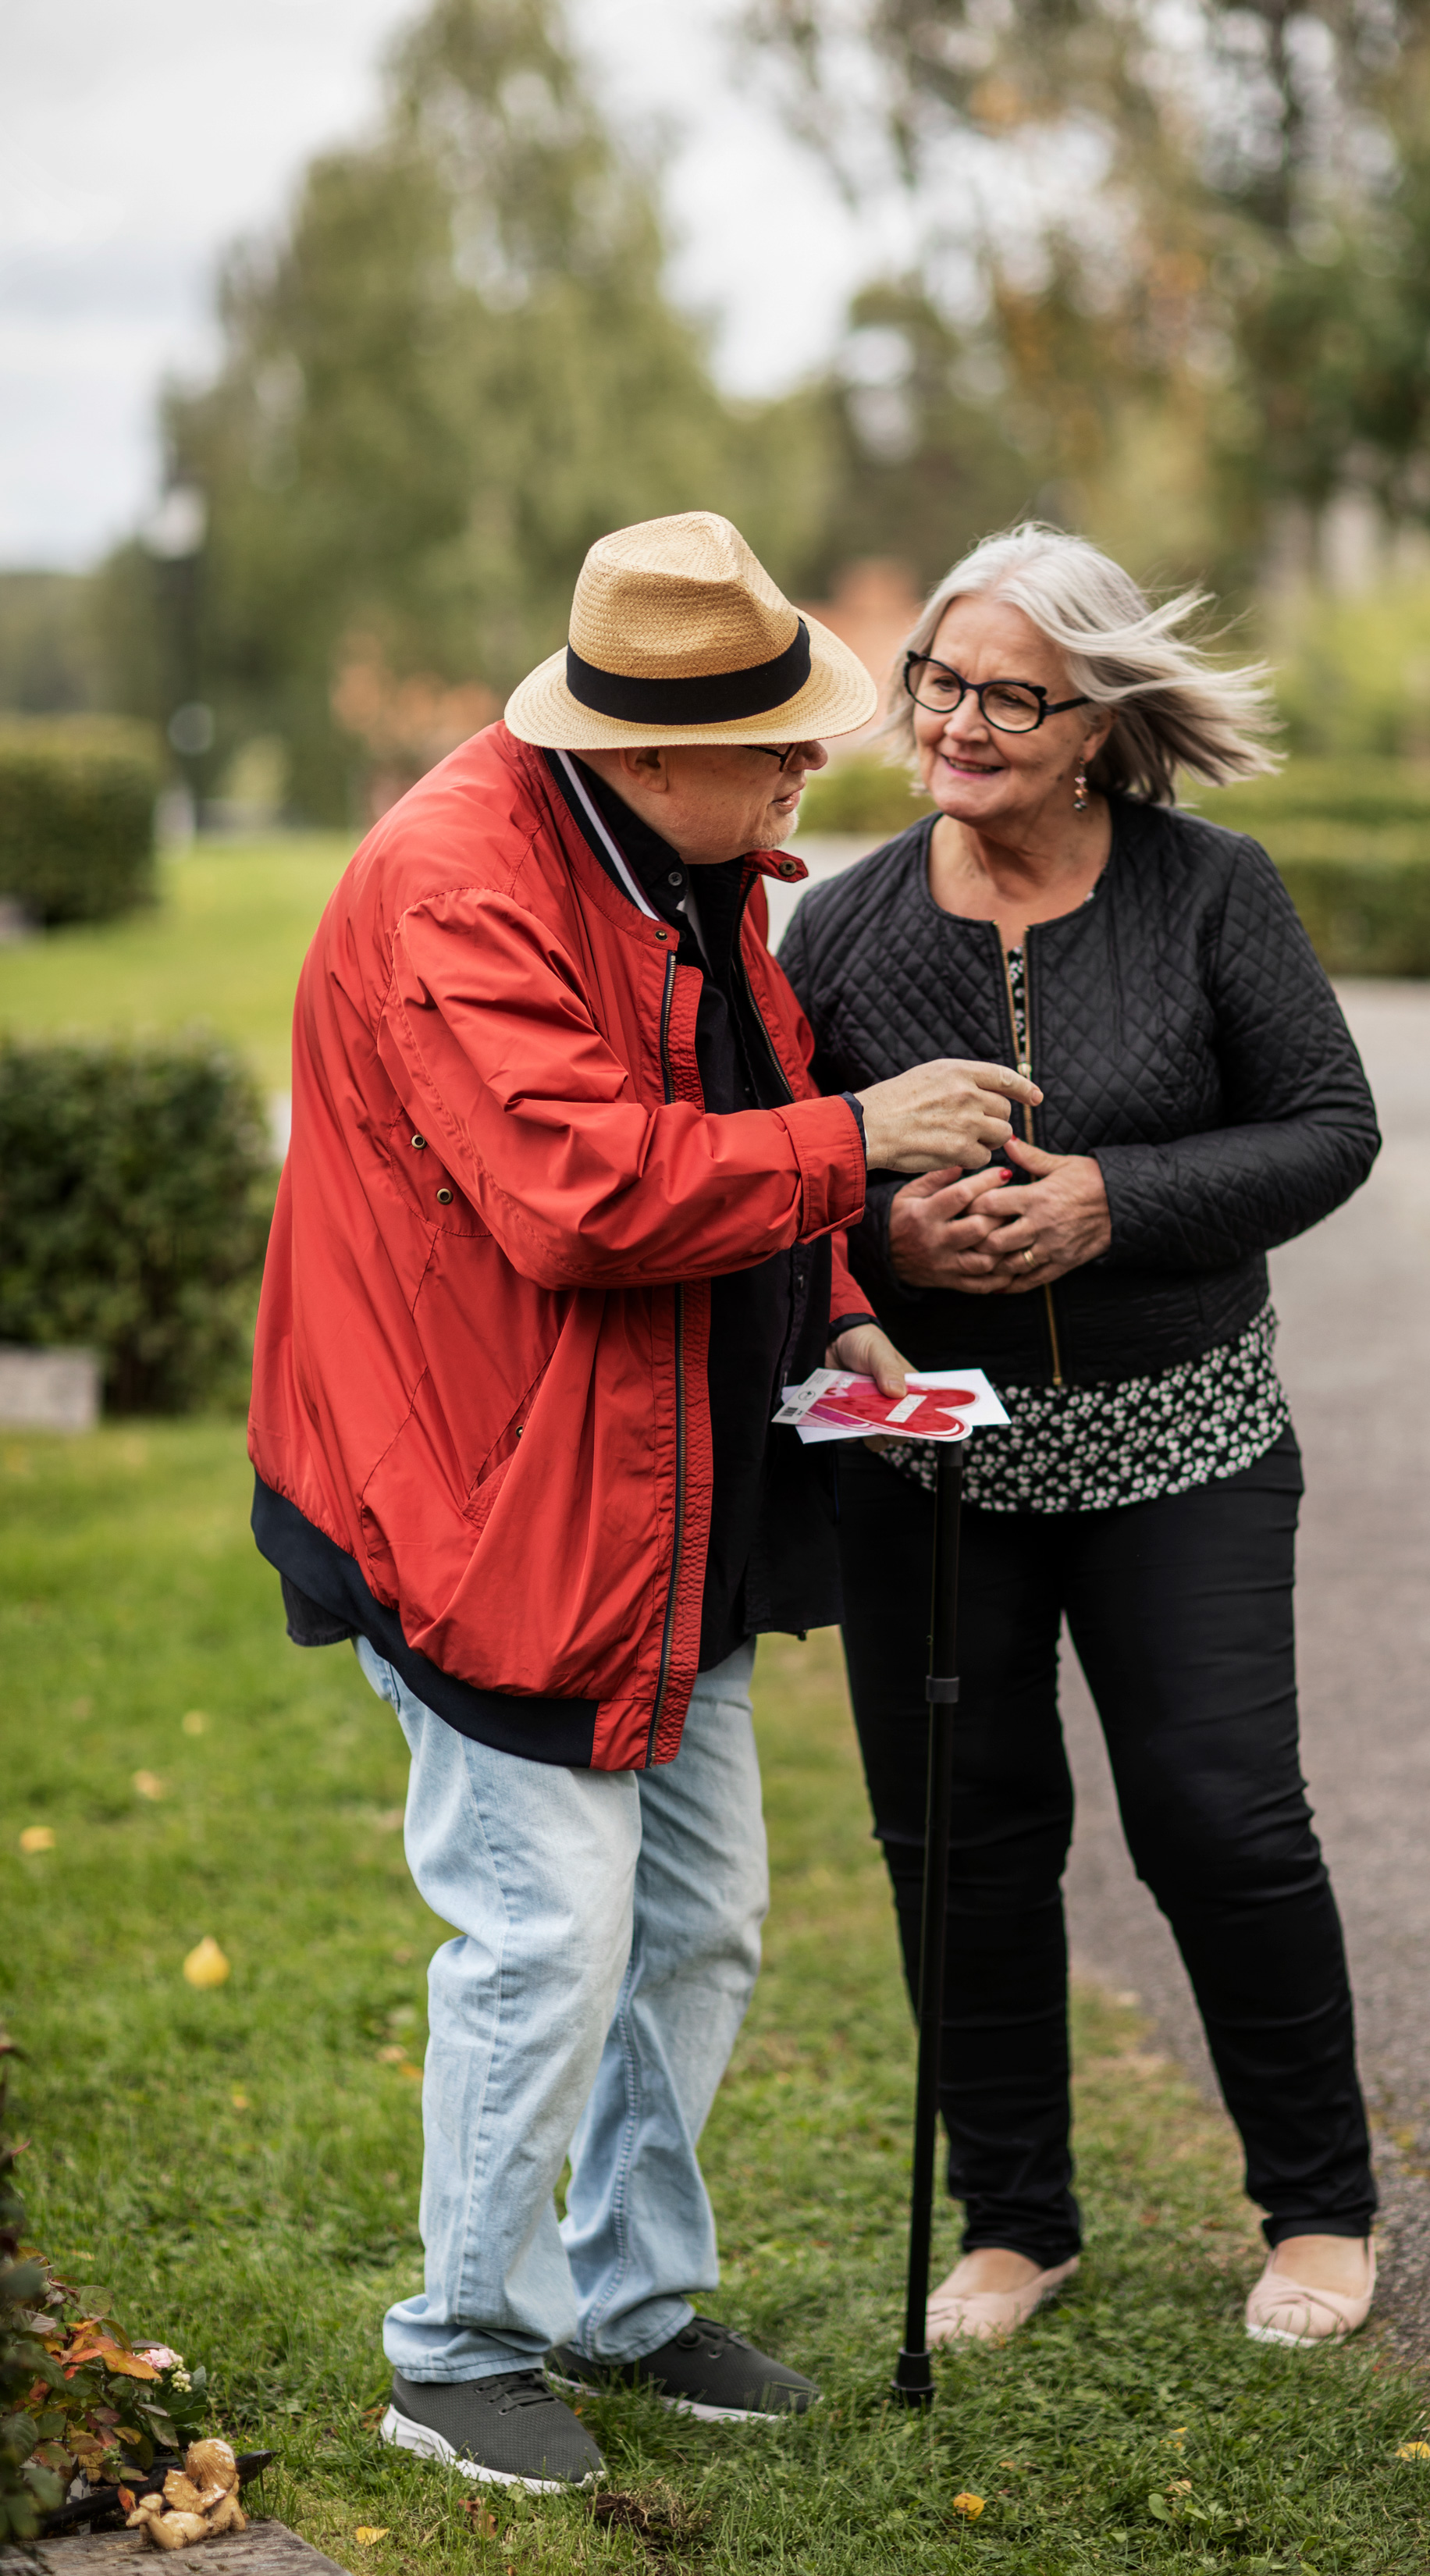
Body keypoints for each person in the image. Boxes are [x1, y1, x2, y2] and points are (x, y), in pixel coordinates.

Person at [248, 511, 1029, 2490]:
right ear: (640, 743)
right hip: (483, 1497)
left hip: (661, 1483)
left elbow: (729, 1112)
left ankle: (624, 2300)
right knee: (548, 1933)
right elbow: (588, 1192)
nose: (809, 770)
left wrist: (843, 1305)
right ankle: (458, 2351)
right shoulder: (456, 886)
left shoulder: (691, 864)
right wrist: (859, 1140)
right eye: (776, 738)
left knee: (701, 1923)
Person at [778, 523, 1383, 2354]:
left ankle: (1316, 2212)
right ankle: (1012, 2227)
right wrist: (891, 1238)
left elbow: (1327, 1127)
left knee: (1219, 1819)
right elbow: (793, 1188)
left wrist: (1114, 1202)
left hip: (1180, 1439)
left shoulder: (1211, 895)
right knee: (958, 1834)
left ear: (1096, 720)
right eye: (937, 684)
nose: (955, 725)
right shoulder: (845, 926)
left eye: (1004, 696)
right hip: (930, 1459)